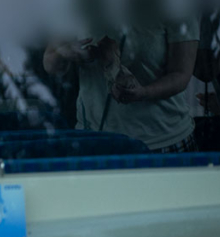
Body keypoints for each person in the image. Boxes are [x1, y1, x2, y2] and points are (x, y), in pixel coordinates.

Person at [43, 19, 199, 152]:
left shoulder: (176, 1)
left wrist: (144, 92)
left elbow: (181, 74)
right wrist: (64, 54)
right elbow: (50, 62)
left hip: (161, 141)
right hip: (92, 139)